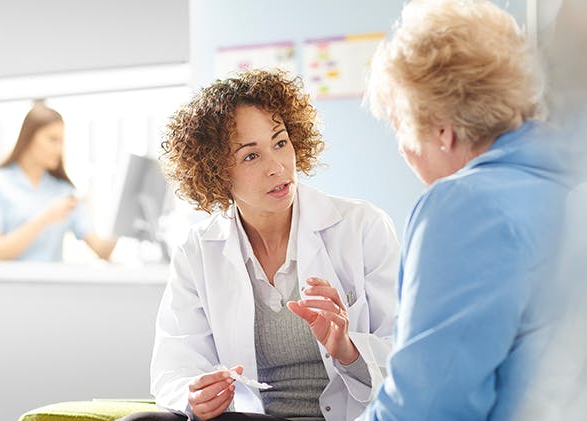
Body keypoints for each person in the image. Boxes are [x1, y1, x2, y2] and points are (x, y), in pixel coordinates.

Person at [122, 69, 400, 421]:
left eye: (280, 143)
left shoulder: (363, 227)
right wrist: (195, 394)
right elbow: (173, 369)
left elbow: (406, 358)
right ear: (216, 173)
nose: (278, 166)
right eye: (251, 156)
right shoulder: (198, 250)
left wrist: (347, 349)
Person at [360, 0, 572, 419]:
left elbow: (426, 406)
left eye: (401, 124)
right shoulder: (564, 180)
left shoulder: (466, 206)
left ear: (443, 130)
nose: (402, 147)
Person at [0, 102, 115, 261]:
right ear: (29, 139)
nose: (59, 149)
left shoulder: (64, 191)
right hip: (8, 285)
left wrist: (124, 219)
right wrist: (45, 217)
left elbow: (102, 250)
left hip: (50, 285)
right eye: (52, 139)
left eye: (61, 141)